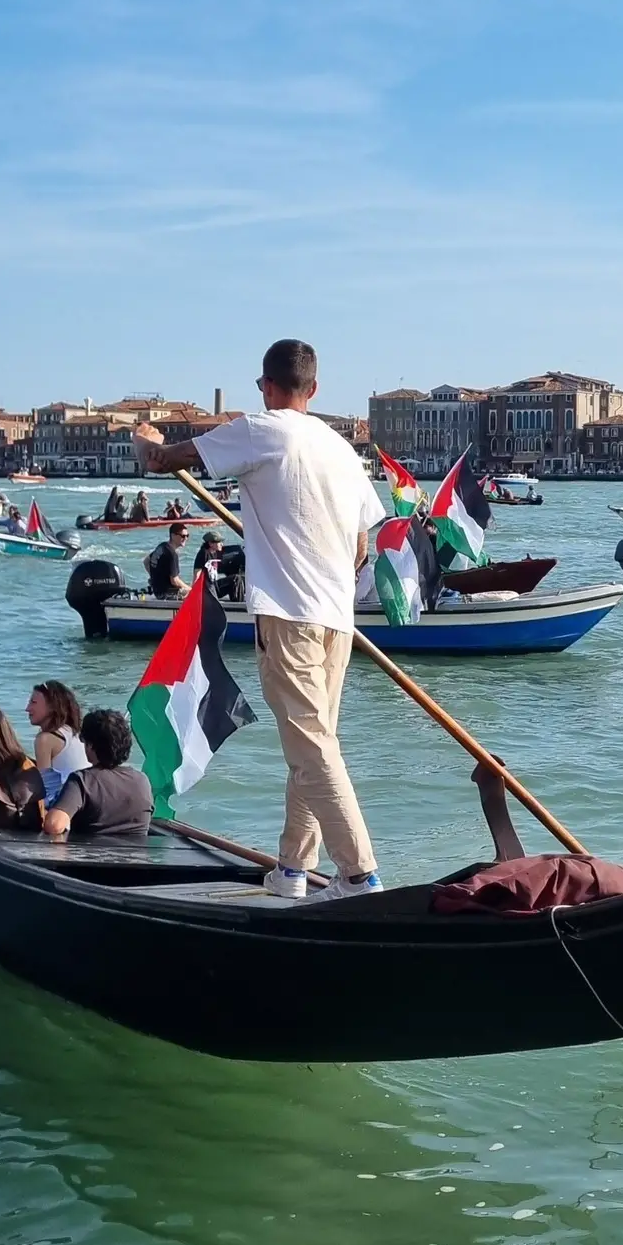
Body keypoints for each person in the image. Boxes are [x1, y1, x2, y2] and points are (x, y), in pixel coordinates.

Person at [135, 337, 384, 901]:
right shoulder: (343, 451)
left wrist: (144, 437)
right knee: (314, 743)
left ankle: (359, 876)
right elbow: (361, 549)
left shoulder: (261, 428)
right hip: (338, 621)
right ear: (314, 389)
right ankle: (294, 870)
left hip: (290, 615)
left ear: (265, 387)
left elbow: (162, 461)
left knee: (311, 746)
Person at [42, 708, 154, 838]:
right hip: (138, 856)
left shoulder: (82, 780)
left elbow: (54, 825)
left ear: (90, 745)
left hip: (91, 855)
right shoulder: (142, 781)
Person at [24, 680, 90, 801]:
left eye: (33, 702)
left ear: (52, 707)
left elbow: (46, 789)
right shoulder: (73, 731)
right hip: (88, 796)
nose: (27, 709)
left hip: (70, 805)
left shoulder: (45, 739)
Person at [145, 521, 189, 597]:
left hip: (157, 591)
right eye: (183, 536)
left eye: (187, 536)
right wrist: (190, 589)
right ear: (173, 535)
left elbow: (146, 561)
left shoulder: (162, 546)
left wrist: (154, 578)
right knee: (194, 595)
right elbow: (174, 581)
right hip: (166, 594)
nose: (185, 538)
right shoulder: (172, 554)